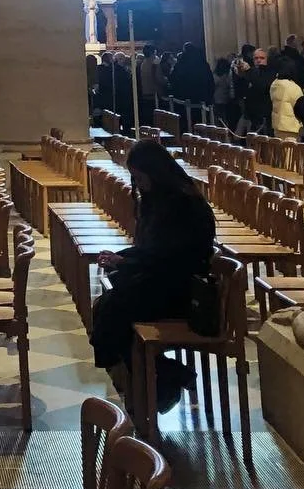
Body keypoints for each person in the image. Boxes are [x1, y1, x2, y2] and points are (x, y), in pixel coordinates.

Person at [90, 138, 216, 411]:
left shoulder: (183, 204)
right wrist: (121, 258)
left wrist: (125, 262)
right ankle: (159, 376)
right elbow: (150, 250)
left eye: (140, 177)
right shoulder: (157, 199)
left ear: (154, 172)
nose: (138, 184)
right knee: (108, 306)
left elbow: (170, 257)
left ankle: (157, 380)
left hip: (182, 290)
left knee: (113, 310)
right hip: (162, 279)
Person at [167, 41, 215, 129]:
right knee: (202, 122)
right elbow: (210, 80)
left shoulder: (181, 63)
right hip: (202, 97)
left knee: (187, 123)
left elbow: (173, 78)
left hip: (184, 98)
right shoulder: (202, 63)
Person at [269, 55, 304, 138]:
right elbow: (300, 107)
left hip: (277, 126)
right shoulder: (293, 87)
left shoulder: (274, 84)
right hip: (291, 128)